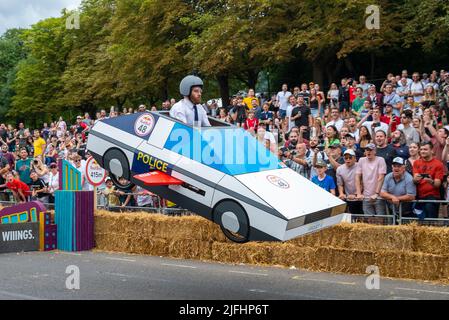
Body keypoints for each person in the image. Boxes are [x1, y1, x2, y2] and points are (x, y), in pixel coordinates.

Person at [413, 141, 445, 219]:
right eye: (421, 149)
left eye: (425, 149)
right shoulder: (416, 162)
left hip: (432, 196)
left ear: (431, 150)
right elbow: (414, 179)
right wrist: (416, 179)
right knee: (419, 222)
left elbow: (438, 184)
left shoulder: (438, 164)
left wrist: (431, 181)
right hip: (419, 196)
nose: (422, 151)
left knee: (430, 222)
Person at [356, 143, 387, 215]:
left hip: (378, 197)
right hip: (366, 196)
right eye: (367, 150)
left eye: (370, 150)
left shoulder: (380, 160)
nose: (368, 152)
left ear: (375, 151)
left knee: (381, 219)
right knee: (369, 220)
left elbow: (381, 177)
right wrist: (358, 193)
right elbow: (357, 177)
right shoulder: (361, 160)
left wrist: (376, 193)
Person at [337, 149, 362, 214]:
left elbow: (362, 182)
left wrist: (356, 194)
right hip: (348, 197)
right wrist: (341, 193)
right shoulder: (339, 169)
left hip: (361, 196)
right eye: (346, 158)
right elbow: (340, 184)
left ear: (354, 158)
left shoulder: (360, 166)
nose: (348, 159)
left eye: (350, 157)